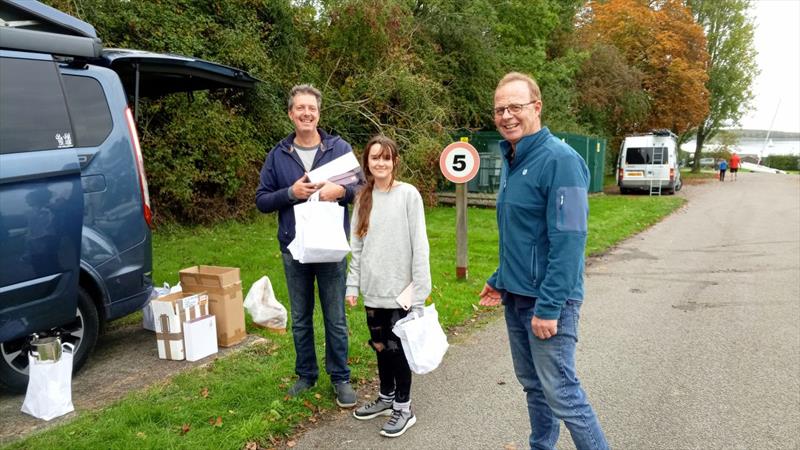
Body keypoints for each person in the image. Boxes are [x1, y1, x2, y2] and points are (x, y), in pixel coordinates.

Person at [478, 72, 609, 450]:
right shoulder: (514, 158)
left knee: (562, 392)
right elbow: (523, 236)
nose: (506, 115)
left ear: (536, 107)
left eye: (515, 107)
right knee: (534, 387)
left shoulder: (560, 160)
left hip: (549, 301)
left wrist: (549, 308)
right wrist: (500, 277)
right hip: (516, 297)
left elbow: (569, 243)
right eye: (500, 109)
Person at [255, 84, 362, 407]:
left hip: (330, 248)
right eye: (300, 108)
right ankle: (306, 374)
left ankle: (340, 377)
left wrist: (340, 192)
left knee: (336, 317)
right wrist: (291, 193)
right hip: (294, 249)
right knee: (301, 317)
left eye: (311, 109)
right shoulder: (278, 155)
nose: (306, 114)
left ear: (319, 113)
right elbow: (262, 200)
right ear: (291, 114)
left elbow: (363, 188)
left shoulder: (338, 148)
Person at [345, 135, 431, 438]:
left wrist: (419, 291)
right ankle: (386, 397)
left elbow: (420, 245)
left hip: (402, 292)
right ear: (367, 163)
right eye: (374, 158)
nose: (380, 163)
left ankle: (404, 409)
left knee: (398, 350)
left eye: (386, 157)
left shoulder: (408, 194)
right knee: (380, 347)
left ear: (395, 161)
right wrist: (352, 285)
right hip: (373, 289)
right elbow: (356, 245)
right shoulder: (363, 197)